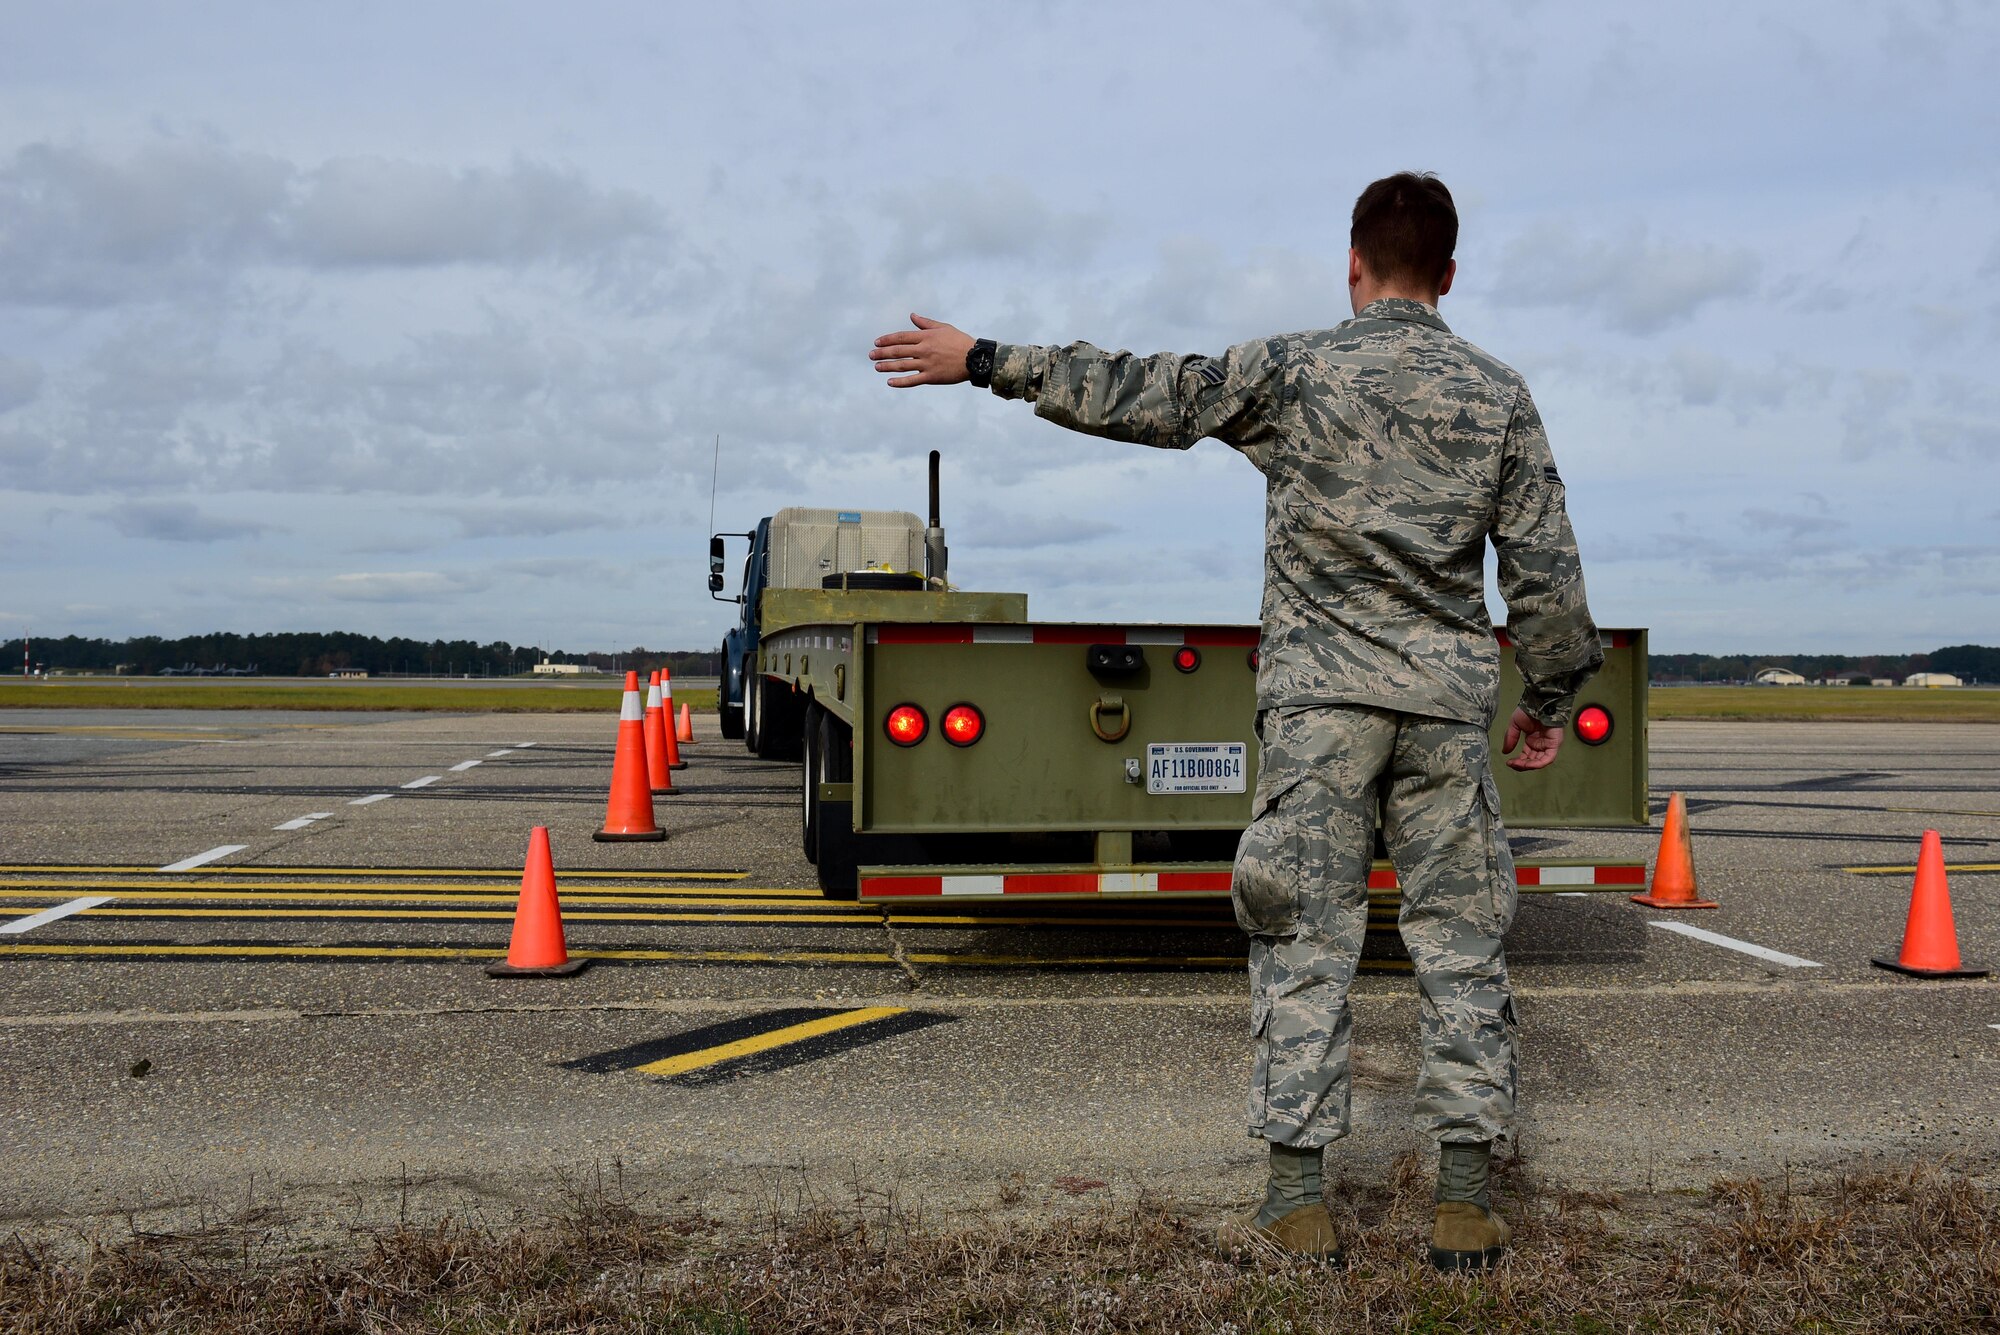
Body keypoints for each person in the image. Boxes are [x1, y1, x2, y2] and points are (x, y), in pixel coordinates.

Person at [869, 172, 1600, 1271]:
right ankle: (1459, 1200)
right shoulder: (1496, 393)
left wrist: (984, 360)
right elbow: (1545, 573)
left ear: (1350, 263)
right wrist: (1545, 702)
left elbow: (1143, 391)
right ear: (1448, 274)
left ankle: (1297, 1203)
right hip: (1442, 714)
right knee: (1460, 949)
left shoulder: (1292, 371)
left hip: (1317, 714)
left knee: (1302, 940)